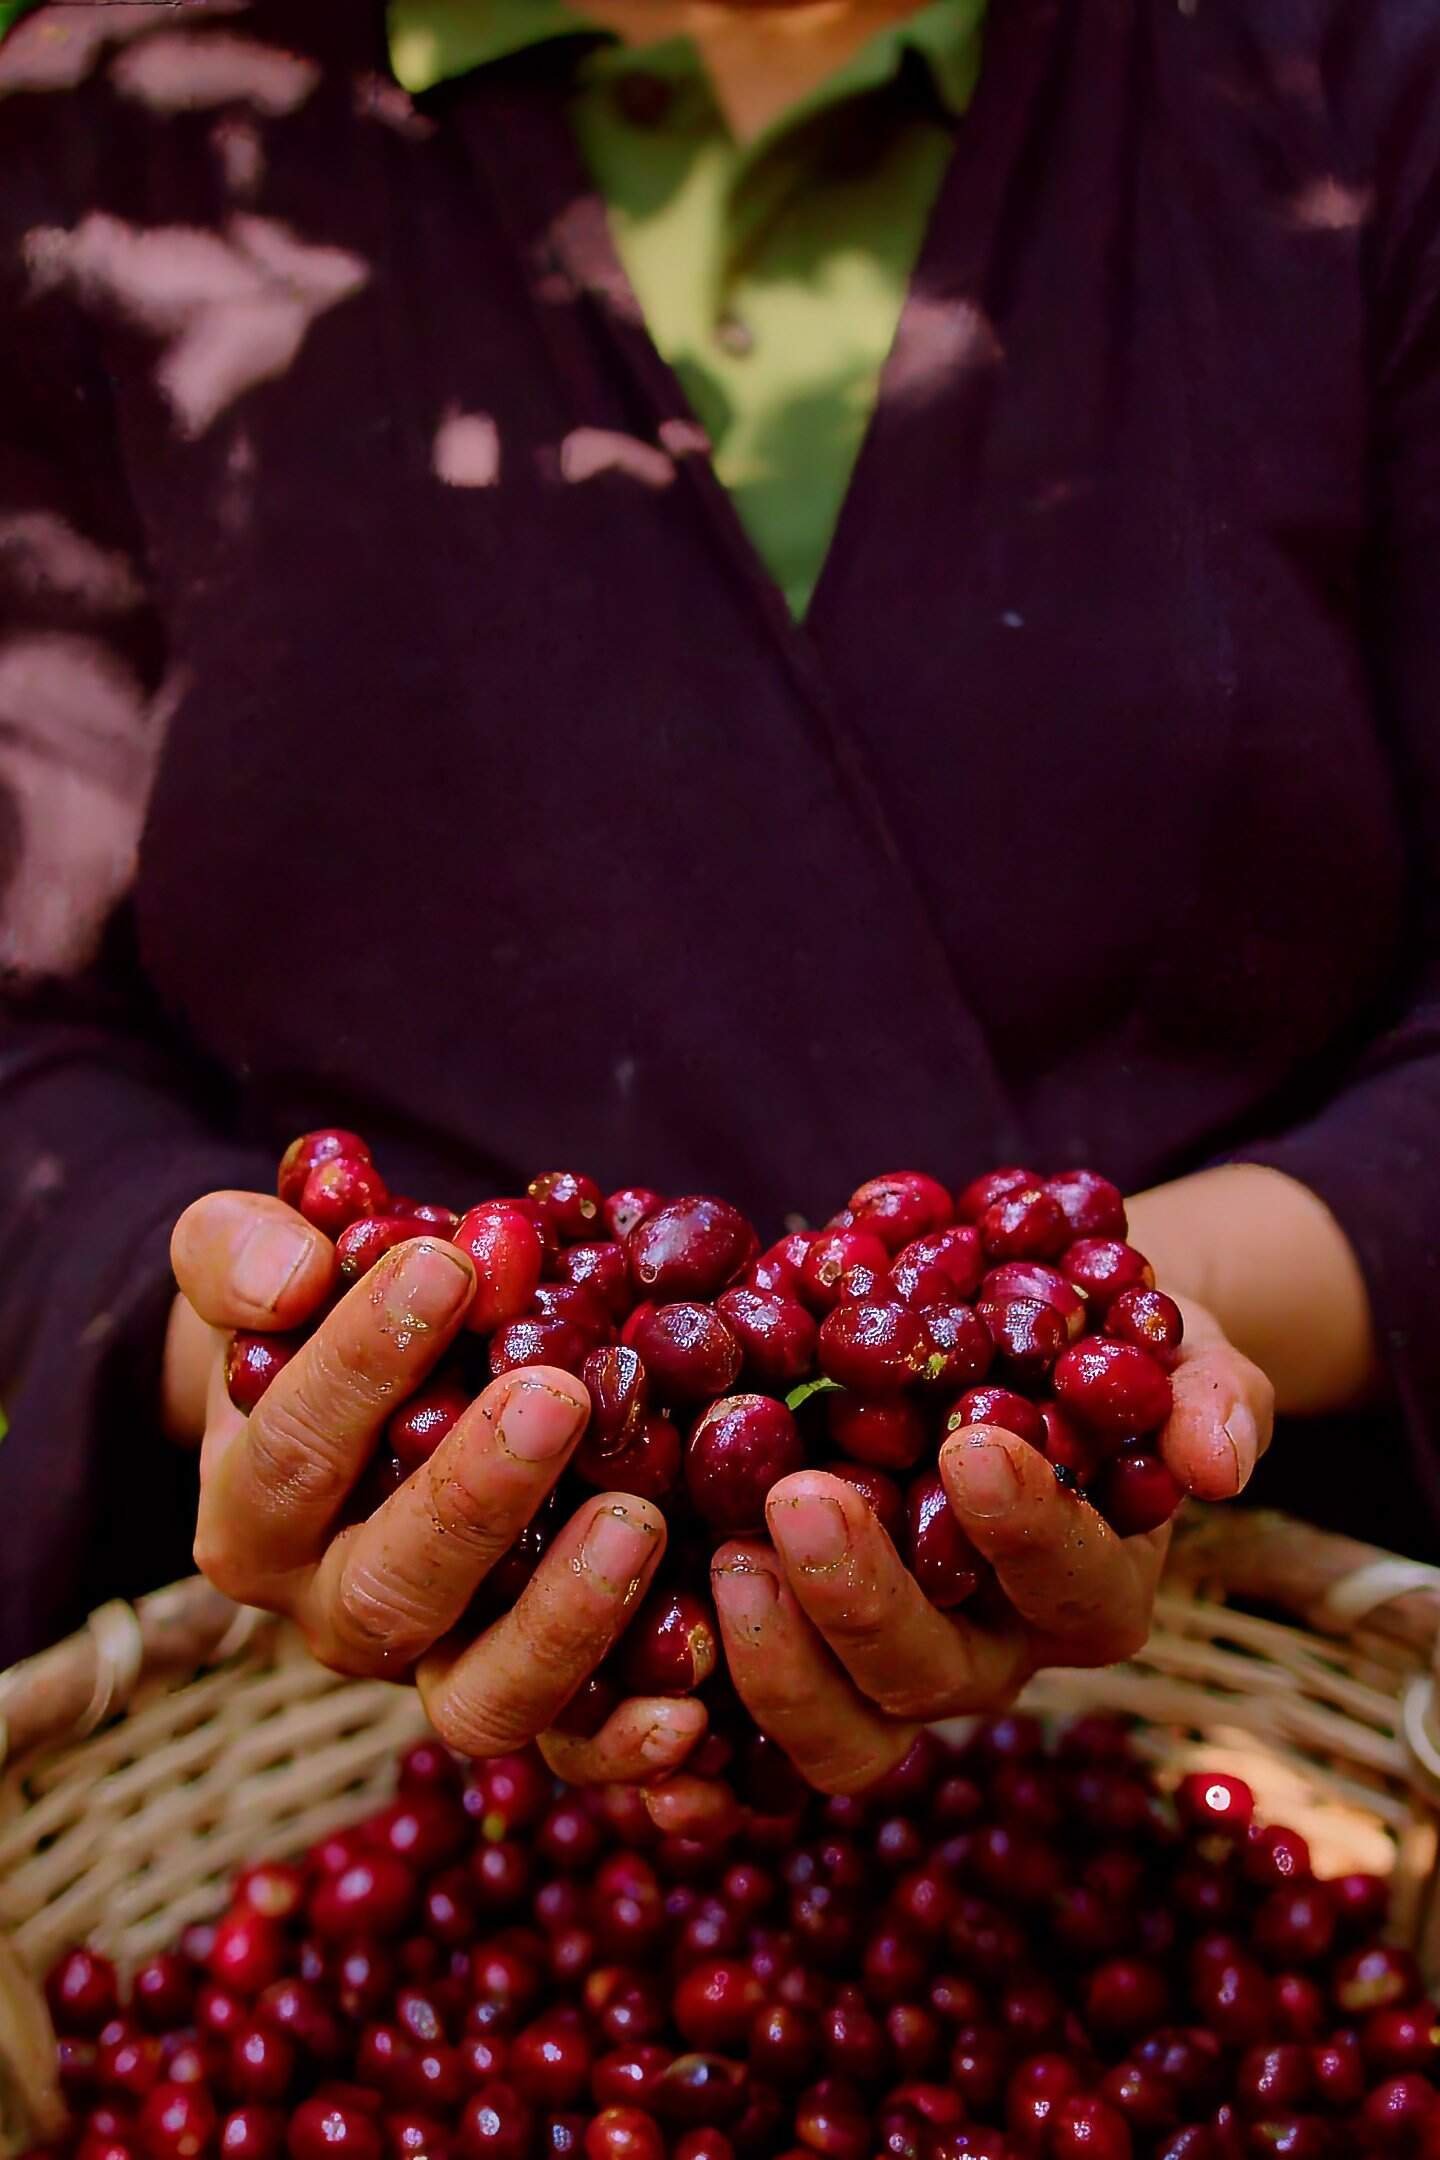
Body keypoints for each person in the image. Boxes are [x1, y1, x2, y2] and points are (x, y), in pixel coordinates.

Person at [0, 0, 1431, 1806]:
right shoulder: (104, 136)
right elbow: (27, 1043)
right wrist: (271, 1357)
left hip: (1250, 1685)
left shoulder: (1354, 85)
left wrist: (1136, 1335)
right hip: (301, 1739)